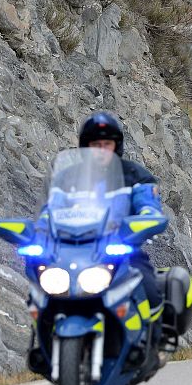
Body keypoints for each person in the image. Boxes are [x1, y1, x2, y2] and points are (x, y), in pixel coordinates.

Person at [74, 111, 164, 311]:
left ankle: (153, 340)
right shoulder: (69, 178)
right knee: (44, 292)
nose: (101, 150)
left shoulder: (135, 176)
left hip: (121, 252)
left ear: (116, 146)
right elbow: (50, 209)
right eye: (96, 145)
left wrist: (148, 217)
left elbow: (147, 203)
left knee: (150, 294)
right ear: (86, 147)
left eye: (107, 144)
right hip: (76, 253)